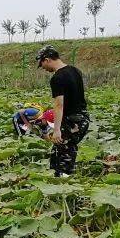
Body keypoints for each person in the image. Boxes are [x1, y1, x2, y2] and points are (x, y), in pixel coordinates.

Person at [36, 45, 89, 177]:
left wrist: (57, 130)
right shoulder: (75, 70)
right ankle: (56, 179)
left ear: (47, 59)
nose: (43, 68)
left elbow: (59, 105)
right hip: (83, 117)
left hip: (72, 121)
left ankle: (66, 186)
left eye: (42, 64)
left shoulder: (57, 78)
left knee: (65, 155)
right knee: (58, 151)